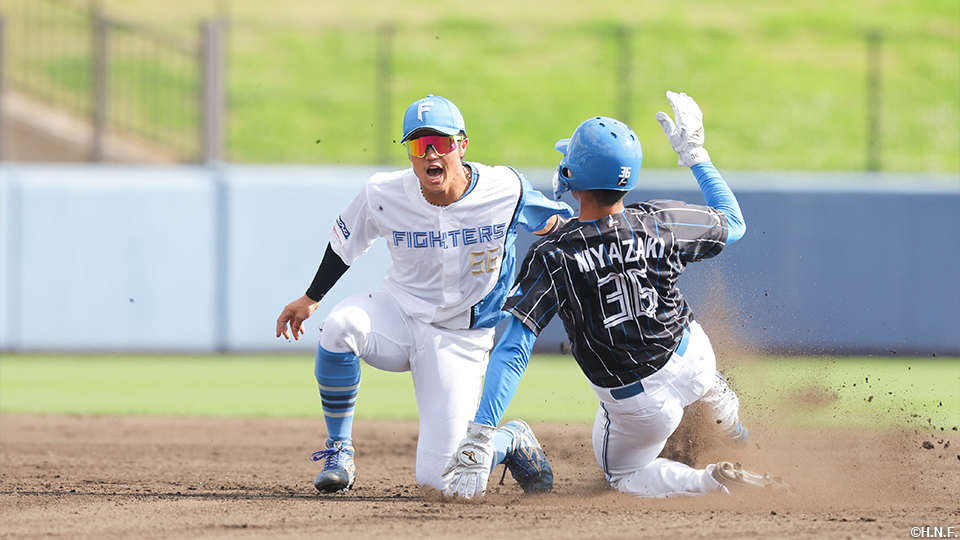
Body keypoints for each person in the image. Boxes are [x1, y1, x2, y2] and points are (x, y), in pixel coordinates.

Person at [443, 91, 790, 499]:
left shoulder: (557, 252)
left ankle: (709, 481)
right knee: (702, 379)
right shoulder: (659, 220)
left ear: (574, 178)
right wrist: (696, 154)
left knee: (623, 474)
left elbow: (514, 348)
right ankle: (730, 425)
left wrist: (483, 431)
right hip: (693, 359)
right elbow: (734, 224)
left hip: (639, 404)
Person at [275, 94, 574, 494]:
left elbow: (559, 225)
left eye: (442, 142)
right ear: (411, 155)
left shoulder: (505, 189)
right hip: (400, 315)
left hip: (461, 339)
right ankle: (339, 450)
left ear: (462, 145)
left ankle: (512, 439)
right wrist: (311, 297)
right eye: (419, 145)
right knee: (338, 328)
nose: (431, 153)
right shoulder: (383, 193)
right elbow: (344, 244)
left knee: (444, 485)